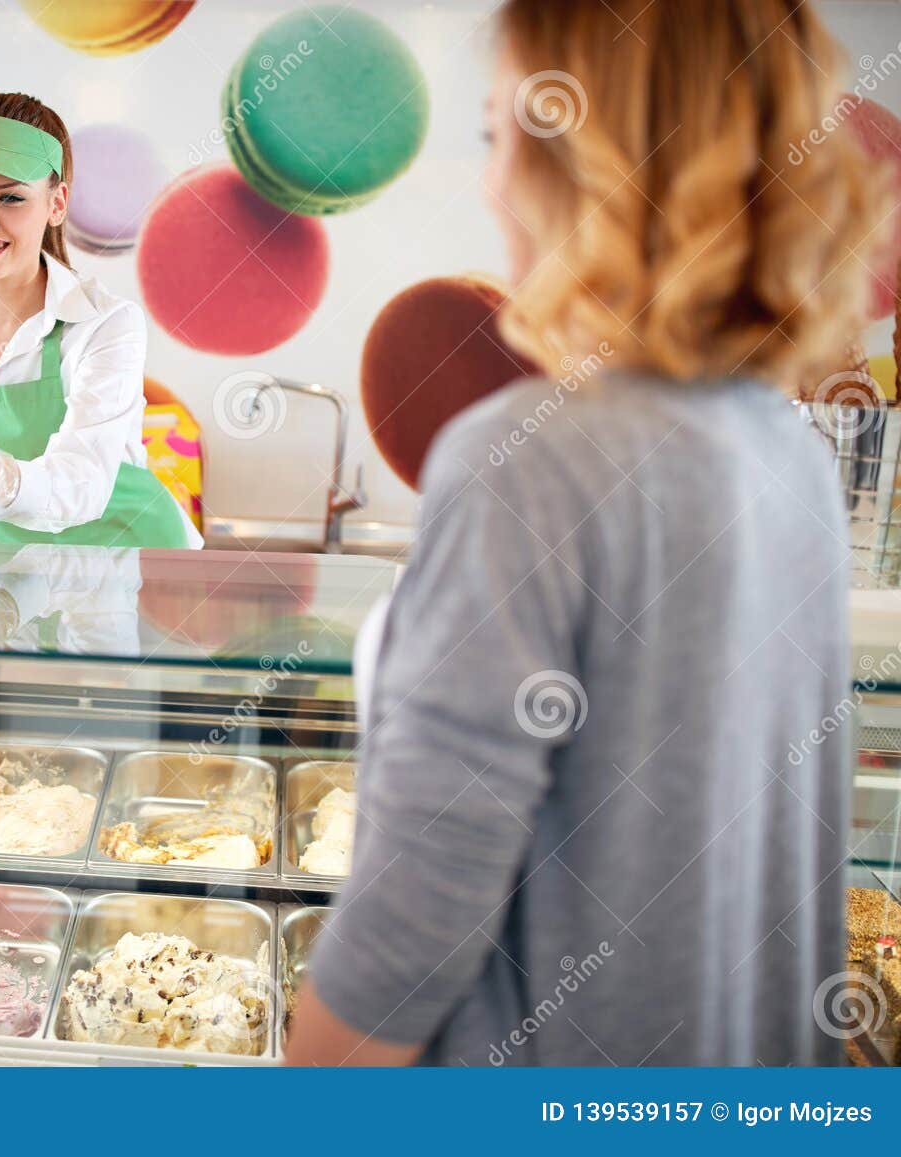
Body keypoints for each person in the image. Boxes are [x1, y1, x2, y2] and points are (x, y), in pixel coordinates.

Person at [288, 0, 882, 1066]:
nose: (489, 180)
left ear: (584, 160)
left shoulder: (528, 460)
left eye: (498, 134)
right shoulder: (788, 452)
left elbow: (407, 936)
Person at [0, 92, 202, 549]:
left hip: (126, 563)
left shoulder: (105, 325)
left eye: (11, 198)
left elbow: (84, 482)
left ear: (56, 204)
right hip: (13, 566)